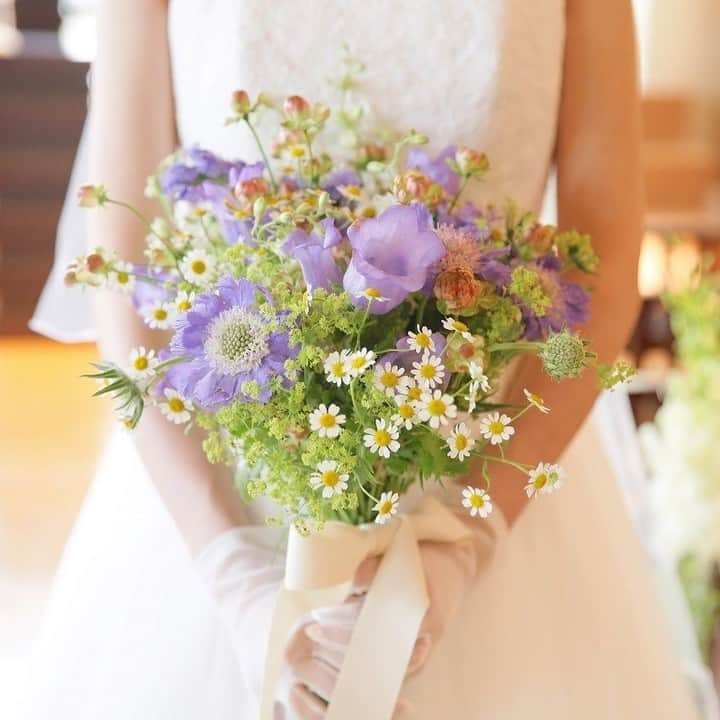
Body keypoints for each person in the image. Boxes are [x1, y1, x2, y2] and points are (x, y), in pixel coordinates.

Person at [22, 1, 698, 717]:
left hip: (494, 476)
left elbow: (607, 258)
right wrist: (233, 575)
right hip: (216, 494)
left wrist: (468, 537)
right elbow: (126, 272)